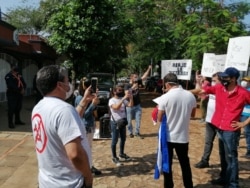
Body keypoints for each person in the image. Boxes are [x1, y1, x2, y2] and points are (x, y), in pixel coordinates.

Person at [31, 65, 93, 188]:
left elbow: (68, 123)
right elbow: (75, 154)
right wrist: (88, 176)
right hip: (70, 183)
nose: (68, 84)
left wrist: (85, 101)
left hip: (47, 181)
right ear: (59, 85)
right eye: (66, 81)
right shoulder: (64, 110)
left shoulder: (38, 107)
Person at [200, 67, 250, 187]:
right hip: (219, 128)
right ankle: (224, 178)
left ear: (233, 79)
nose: (222, 79)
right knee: (223, 156)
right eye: (222, 77)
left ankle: (233, 184)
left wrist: (244, 123)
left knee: (231, 158)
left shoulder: (243, 93)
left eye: (225, 77)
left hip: (231, 131)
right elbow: (204, 89)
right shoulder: (219, 88)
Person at [157, 73, 196, 188]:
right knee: (185, 164)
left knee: (167, 164)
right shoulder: (190, 95)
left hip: (168, 137)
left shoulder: (165, 97)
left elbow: (159, 118)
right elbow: (193, 115)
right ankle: (189, 186)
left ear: (167, 84)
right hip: (183, 137)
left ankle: (168, 186)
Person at [193, 72, 221, 168]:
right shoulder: (211, 90)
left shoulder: (224, 90)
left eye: (214, 81)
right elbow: (199, 91)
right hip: (210, 119)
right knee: (208, 142)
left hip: (220, 121)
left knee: (223, 145)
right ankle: (205, 160)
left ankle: (226, 166)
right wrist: (198, 81)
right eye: (212, 80)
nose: (212, 83)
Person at [75, 77, 102, 175]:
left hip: (90, 125)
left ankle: (90, 165)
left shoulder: (89, 96)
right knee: (85, 148)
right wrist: (92, 105)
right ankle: (86, 167)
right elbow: (83, 114)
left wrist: (95, 102)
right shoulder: (79, 98)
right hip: (84, 126)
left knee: (89, 147)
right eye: (87, 85)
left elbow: (92, 113)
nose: (90, 88)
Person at [124, 65, 152, 138]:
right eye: (135, 77)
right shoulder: (127, 85)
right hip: (129, 106)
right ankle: (130, 132)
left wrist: (148, 69)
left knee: (138, 120)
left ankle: (137, 132)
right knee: (129, 120)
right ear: (131, 78)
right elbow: (126, 94)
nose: (137, 78)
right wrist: (133, 87)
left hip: (137, 105)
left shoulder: (138, 82)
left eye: (137, 77)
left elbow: (144, 76)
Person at [109, 85, 133, 166]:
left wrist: (131, 97)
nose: (121, 92)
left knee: (123, 139)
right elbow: (116, 107)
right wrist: (123, 98)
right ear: (114, 91)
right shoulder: (112, 100)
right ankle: (114, 157)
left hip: (122, 122)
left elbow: (130, 105)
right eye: (119, 90)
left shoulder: (121, 99)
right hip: (115, 122)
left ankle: (121, 153)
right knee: (114, 140)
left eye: (122, 90)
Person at [5, 64, 26, 129]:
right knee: (11, 109)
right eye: (15, 70)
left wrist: (23, 89)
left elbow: (24, 83)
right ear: (11, 69)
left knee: (18, 108)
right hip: (12, 94)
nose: (16, 72)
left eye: (17, 71)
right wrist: (20, 90)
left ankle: (17, 120)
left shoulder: (19, 75)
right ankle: (10, 123)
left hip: (19, 95)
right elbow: (11, 85)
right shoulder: (8, 76)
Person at [239, 76, 250, 158]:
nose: (244, 82)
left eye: (246, 81)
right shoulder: (241, 90)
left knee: (247, 133)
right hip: (241, 113)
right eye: (243, 80)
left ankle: (249, 150)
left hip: (247, 115)